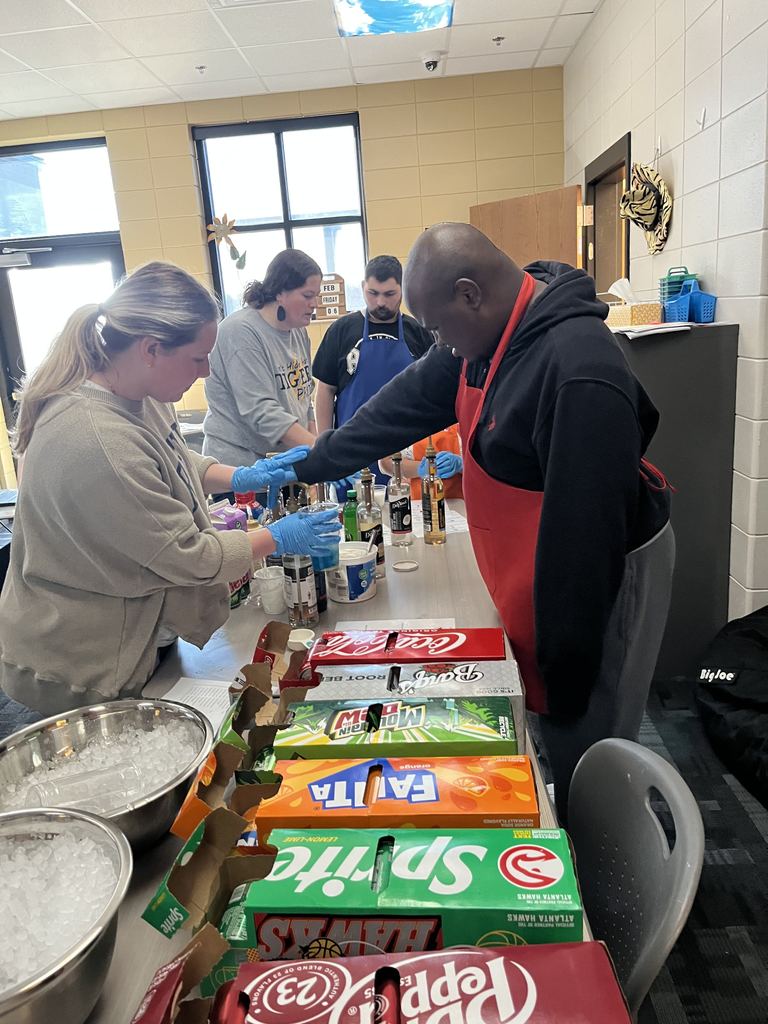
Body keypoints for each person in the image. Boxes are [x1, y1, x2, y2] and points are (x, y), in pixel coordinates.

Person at [294, 223, 675, 821]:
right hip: (541, 561)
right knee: (544, 728)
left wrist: (561, 684)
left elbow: (585, 547)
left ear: (470, 293)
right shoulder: (487, 334)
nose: (439, 342)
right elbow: (406, 402)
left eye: (439, 326)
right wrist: (318, 458)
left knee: (585, 741)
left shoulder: (578, 369)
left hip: (603, 573)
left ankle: (592, 878)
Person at [0, 262, 340, 717]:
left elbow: (173, 460)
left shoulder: (135, 395)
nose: (204, 373)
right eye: (198, 359)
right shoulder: (95, 438)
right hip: (79, 668)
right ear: (151, 349)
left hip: (129, 636)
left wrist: (241, 475)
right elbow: (190, 556)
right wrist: (279, 536)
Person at [202, 249, 320, 500]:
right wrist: (318, 451)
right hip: (242, 475)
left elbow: (304, 398)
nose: (314, 304)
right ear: (280, 292)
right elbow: (260, 411)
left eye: (317, 295)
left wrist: (311, 462)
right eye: (308, 295)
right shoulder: (240, 332)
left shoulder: (298, 331)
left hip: (284, 469)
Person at [312, 254, 433, 482]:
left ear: (403, 290)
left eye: (389, 294)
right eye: (372, 293)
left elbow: (432, 394)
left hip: (407, 460)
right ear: (363, 287)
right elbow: (325, 390)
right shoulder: (342, 330)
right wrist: (325, 444)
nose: (380, 302)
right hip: (351, 456)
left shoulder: (419, 332)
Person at [378, 424, 464, 500]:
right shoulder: (402, 421)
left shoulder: (463, 417)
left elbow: (477, 462)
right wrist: (421, 468)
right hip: (419, 504)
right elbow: (385, 462)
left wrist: (462, 465)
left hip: (461, 503)